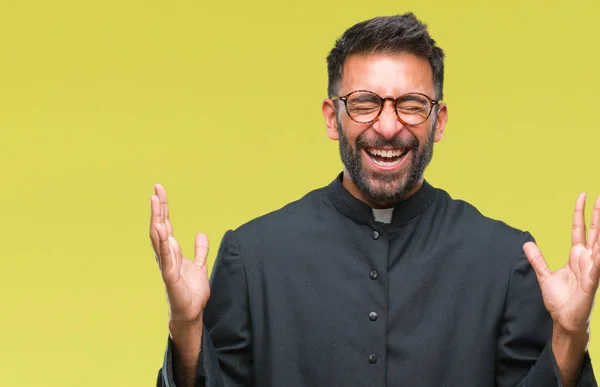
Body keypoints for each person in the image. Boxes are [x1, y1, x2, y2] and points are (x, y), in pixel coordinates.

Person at [150, 13, 598, 387]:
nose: (387, 126)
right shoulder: (251, 256)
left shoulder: (506, 260)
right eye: (364, 103)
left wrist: (569, 335)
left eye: (412, 104)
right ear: (332, 117)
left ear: (438, 121)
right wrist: (187, 328)